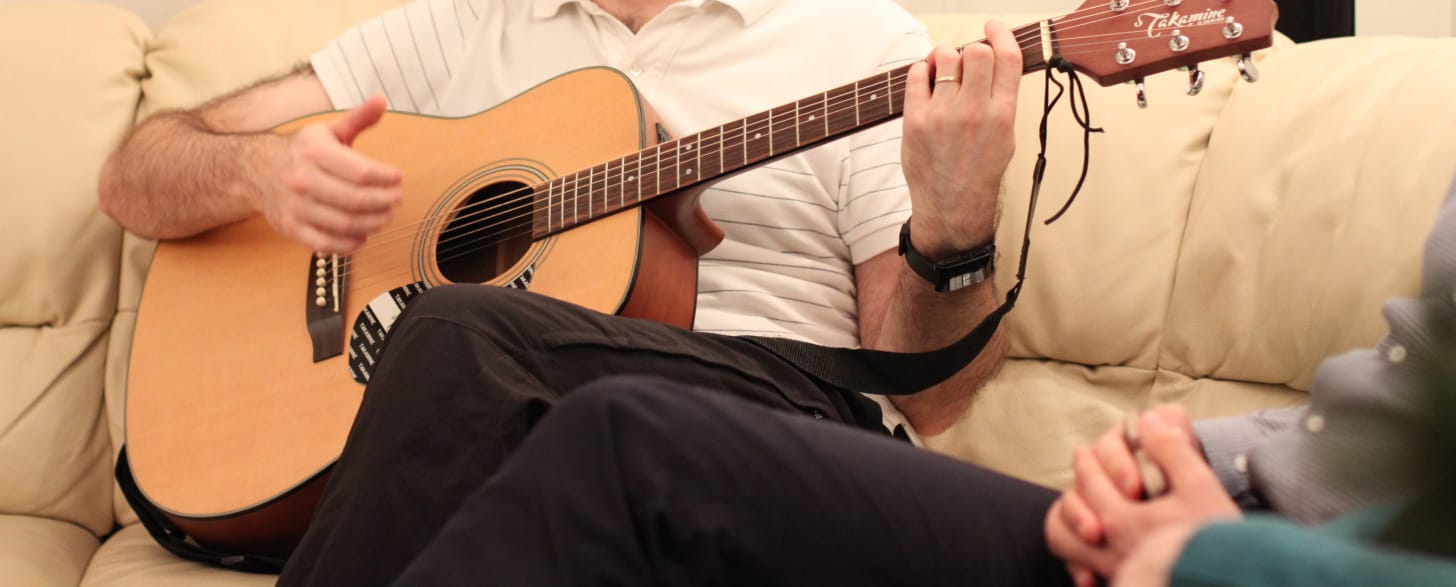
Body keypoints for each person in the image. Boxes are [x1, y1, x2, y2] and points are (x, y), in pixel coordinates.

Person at [98, 0, 1025, 583]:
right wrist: (257, 172)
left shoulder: (859, 44)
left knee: (460, 332)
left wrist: (953, 231)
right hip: (526, 475)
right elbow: (137, 172)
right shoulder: (471, 23)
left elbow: (930, 399)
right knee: (472, 368)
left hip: (772, 443)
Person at [313, 171, 1456, 586]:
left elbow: (923, 378)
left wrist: (1220, 552)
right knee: (491, 360)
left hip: (1244, 556)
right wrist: (1195, 455)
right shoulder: (477, 18)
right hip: (1225, 515)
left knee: (603, 428)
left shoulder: (846, 36)